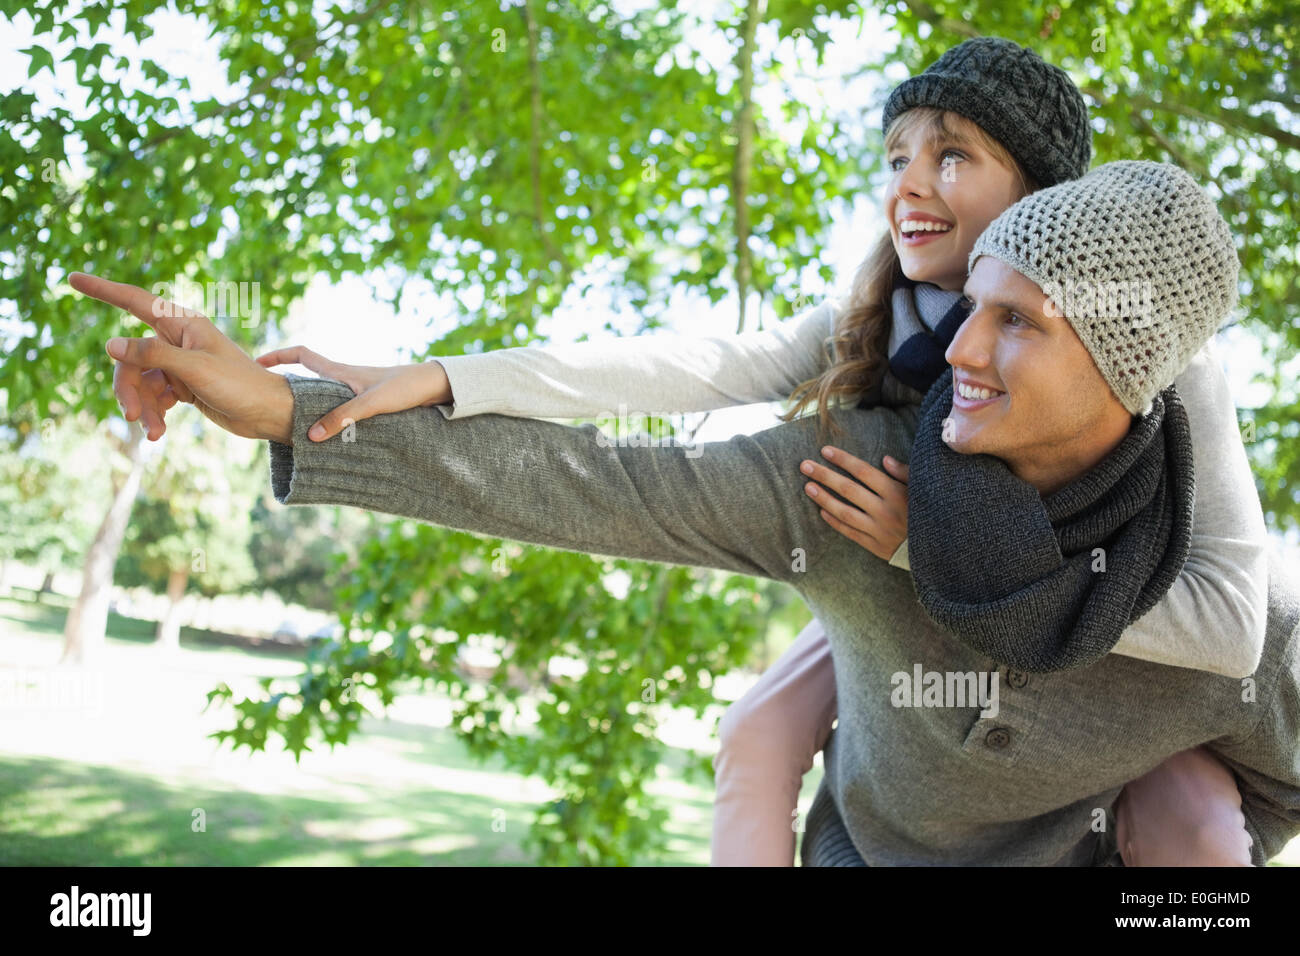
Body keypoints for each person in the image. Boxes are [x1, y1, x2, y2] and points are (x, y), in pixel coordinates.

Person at [77, 158, 1300, 865]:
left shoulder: (1219, 601)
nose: (957, 350)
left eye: (1019, 321)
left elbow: (1269, 753)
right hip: (865, 856)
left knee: (1194, 819)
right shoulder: (853, 479)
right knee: (757, 730)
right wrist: (296, 410)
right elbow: (606, 473)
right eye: (967, 302)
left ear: (1135, 371)